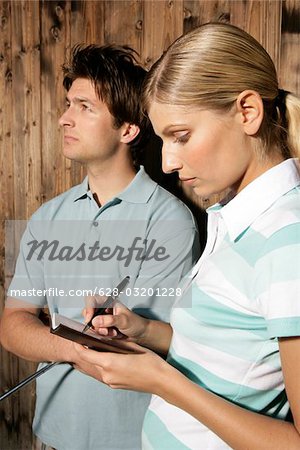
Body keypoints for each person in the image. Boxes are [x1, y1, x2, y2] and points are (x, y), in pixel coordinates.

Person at [72, 23, 300, 449]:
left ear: (247, 111)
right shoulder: (230, 217)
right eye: (162, 140)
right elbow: (221, 351)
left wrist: (162, 381)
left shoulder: (288, 242)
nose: (169, 161)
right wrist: (139, 329)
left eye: (181, 136)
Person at [0, 44, 199, 450]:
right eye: (68, 103)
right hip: (52, 435)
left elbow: (173, 340)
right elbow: (14, 323)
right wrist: (74, 348)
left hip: (135, 441)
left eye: (85, 107)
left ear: (128, 129)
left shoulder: (170, 221)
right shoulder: (47, 218)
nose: (64, 118)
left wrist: (98, 339)